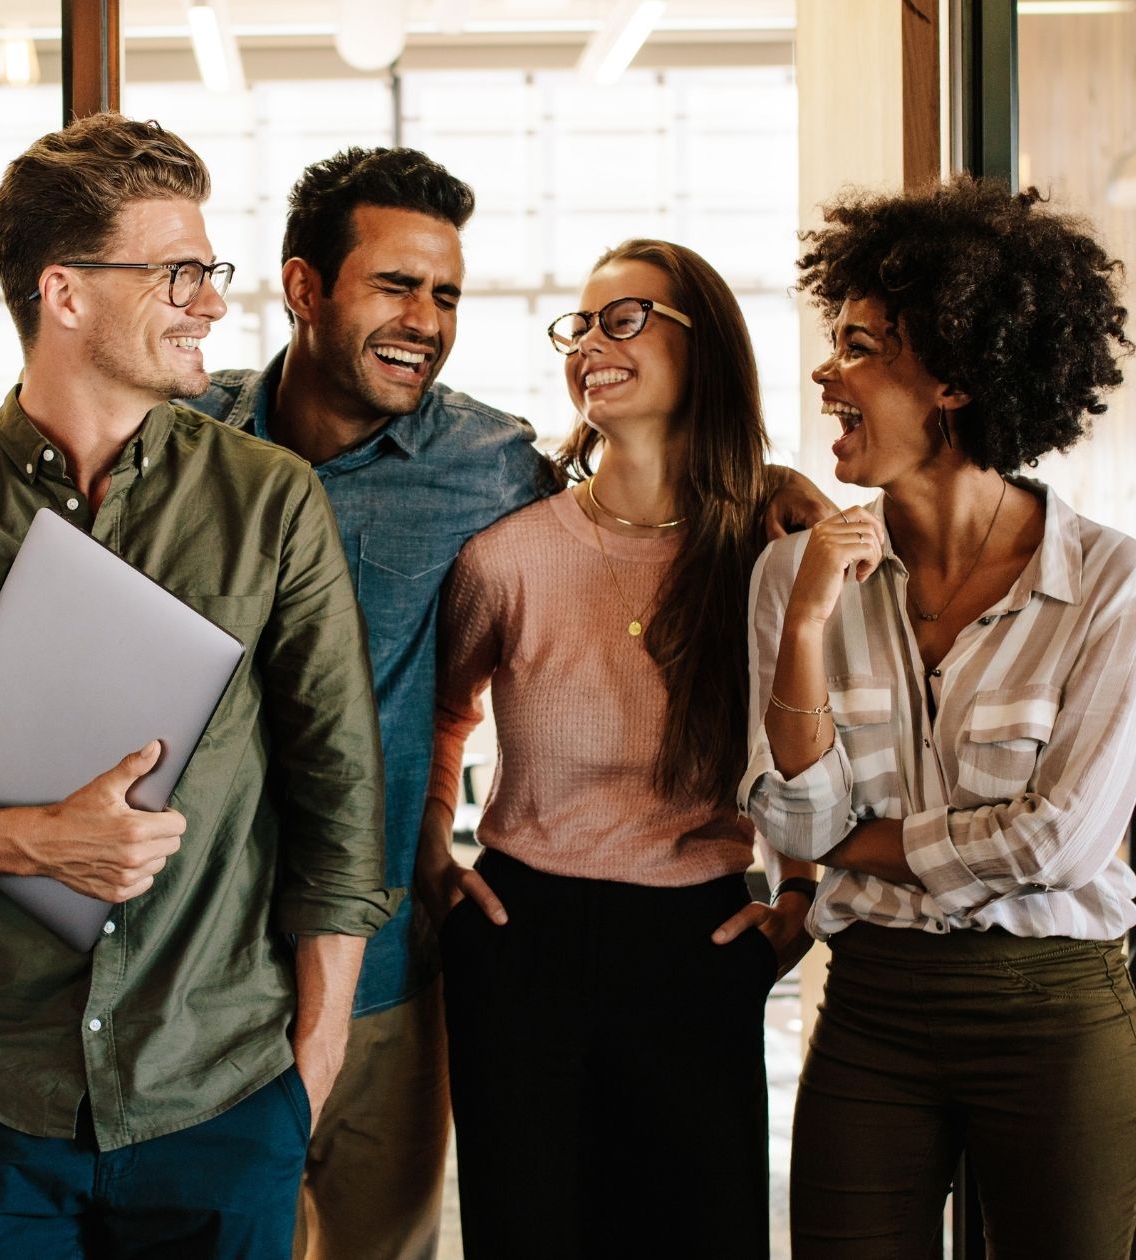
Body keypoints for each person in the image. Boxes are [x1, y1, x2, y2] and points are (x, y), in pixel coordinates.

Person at [0, 113, 394, 1260]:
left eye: (211, 269)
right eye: (179, 272)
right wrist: (35, 840)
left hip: (223, 1091)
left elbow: (341, 798)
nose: (211, 300)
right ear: (65, 293)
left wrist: (313, 1060)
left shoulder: (270, 502)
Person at [181, 152, 833, 1260]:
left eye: (446, 295)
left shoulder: (492, 472)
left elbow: (663, 519)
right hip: (200, 955)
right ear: (302, 288)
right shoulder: (182, 442)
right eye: (395, 286)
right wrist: (444, 844)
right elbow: (455, 699)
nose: (425, 322)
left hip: (421, 951)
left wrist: (811, 889)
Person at [749, 177, 1136, 1258]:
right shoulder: (796, 573)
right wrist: (803, 628)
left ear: (956, 378)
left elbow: (1063, 840)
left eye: (859, 345)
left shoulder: (1110, 580)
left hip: (1059, 1013)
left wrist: (856, 840)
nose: (824, 371)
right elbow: (791, 828)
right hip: (871, 1010)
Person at [417, 239, 820, 1259]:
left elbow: (823, 735)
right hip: (524, 937)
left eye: (625, 317)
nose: (593, 343)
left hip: (698, 944)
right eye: (581, 326)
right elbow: (440, 714)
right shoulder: (510, 554)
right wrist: (433, 859)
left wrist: (804, 892)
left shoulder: (767, 548)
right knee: (527, 1237)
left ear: (706, 346)